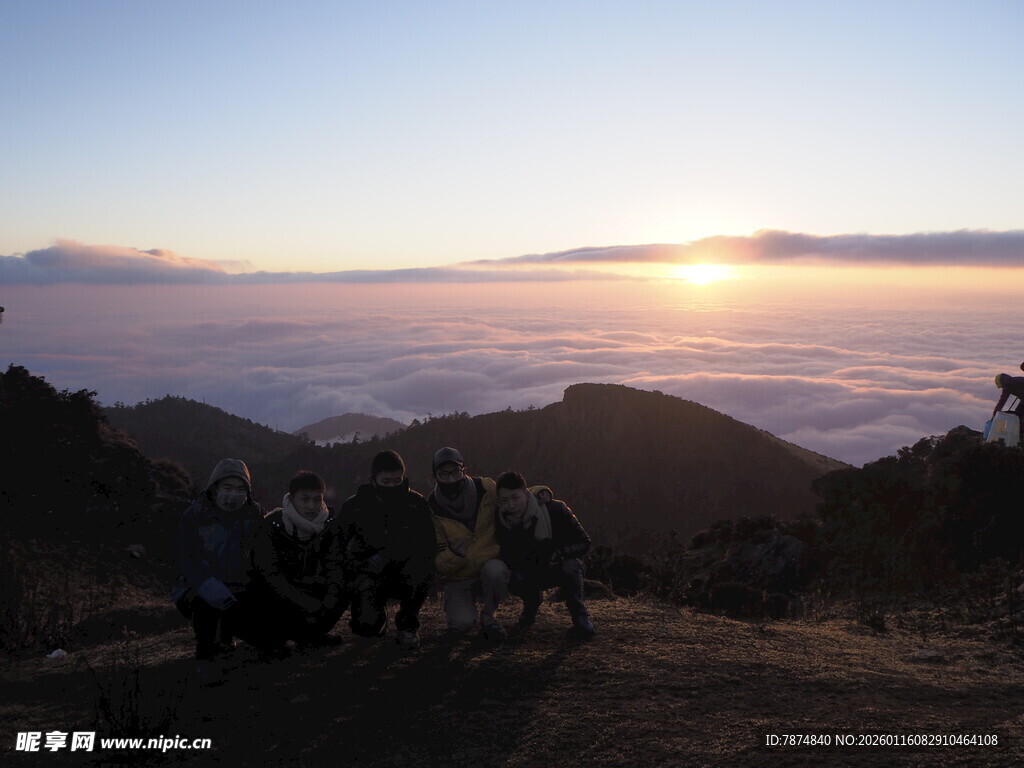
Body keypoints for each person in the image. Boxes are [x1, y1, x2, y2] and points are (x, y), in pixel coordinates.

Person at [172, 458, 269, 683]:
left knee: (268, 640)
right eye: (227, 488)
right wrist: (214, 590)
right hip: (199, 587)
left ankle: (231, 635)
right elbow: (188, 559)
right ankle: (206, 656)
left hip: (240, 587)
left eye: (240, 489)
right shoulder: (195, 515)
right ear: (215, 487)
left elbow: (263, 552)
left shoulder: (254, 513)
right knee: (206, 606)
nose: (233, 494)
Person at [339, 451, 435, 649]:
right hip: (370, 574)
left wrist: (388, 556)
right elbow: (338, 548)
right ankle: (376, 617)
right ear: (373, 480)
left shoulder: (415, 504)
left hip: (405, 573)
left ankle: (408, 624)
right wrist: (358, 572)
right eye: (386, 481)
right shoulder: (354, 507)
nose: (392, 486)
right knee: (366, 628)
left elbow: (427, 546)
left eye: (397, 480)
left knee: (422, 567)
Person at [252, 470, 348, 649]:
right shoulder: (273, 526)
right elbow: (270, 573)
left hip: (314, 593)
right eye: (305, 499)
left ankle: (314, 634)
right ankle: (277, 637)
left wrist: (329, 600)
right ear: (292, 498)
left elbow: (336, 566)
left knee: (347, 583)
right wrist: (306, 602)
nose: (312, 506)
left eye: (317, 499)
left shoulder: (329, 525)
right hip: (281, 598)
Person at [495, 471, 595, 637]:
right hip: (528, 570)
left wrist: (562, 553)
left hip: (556, 566)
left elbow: (584, 542)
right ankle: (531, 604)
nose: (511, 505)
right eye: (505, 500)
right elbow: (506, 555)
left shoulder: (555, 510)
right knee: (509, 576)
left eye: (515, 498)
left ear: (526, 494)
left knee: (571, 566)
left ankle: (580, 615)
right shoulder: (502, 522)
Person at [428, 447, 509, 641]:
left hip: (488, 565)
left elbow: (513, 499)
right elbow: (438, 562)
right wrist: (454, 554)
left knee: (497, 570)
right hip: (458, 576)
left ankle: (490, 617)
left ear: (464, 470)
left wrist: (539, 495)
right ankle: (464, 613)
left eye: (455, 472)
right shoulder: (432, 508)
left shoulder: (485, 488)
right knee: (461, 624)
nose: (450, 479)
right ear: (435, 476)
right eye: (443, 474)